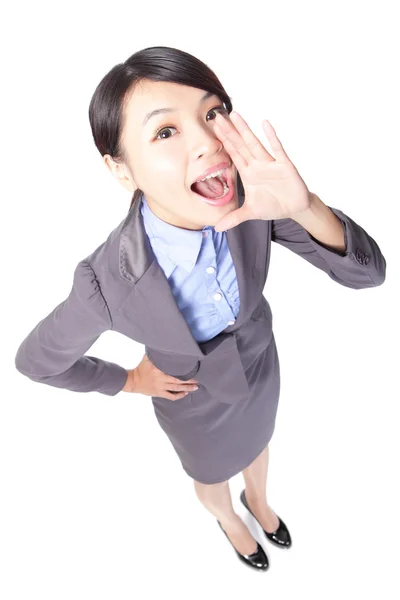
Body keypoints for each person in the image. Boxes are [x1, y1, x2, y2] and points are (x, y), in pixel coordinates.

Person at [14, 46, 386, 571]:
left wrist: (305, 206)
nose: (210, 142)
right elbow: (36, 362)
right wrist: (126, 380)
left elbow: (368, 274)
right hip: (191, 401)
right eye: (165, 132)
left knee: (259, 446)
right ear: (121, 169)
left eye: (213, 114)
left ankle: (258, 502)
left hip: (260, 367)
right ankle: (230, 520)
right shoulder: (104, 282)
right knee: (212, 478)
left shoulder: (255, 208)